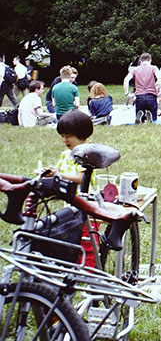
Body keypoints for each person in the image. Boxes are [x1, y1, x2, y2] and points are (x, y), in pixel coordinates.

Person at [44, 110, 99, 266]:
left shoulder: (86, 154)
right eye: (62, 136)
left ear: (81, 134)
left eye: (68, 136)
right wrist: (50, 173)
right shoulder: (65, 154)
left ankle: (89, 269)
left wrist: (58, 175)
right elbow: (59, 171)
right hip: (71, 204)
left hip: (87, 204)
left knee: (87, 239)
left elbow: (81, 178)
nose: (65, 140)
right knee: (72, 236)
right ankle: (74, 265)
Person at [123, 52, 161, 123]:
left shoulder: (135, 69)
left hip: (139, 96)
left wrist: (127, 93)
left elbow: (126, 80)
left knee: (140, 113)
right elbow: (159, 78)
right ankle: (150, 117)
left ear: (140, 60)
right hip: (151, 95)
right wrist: (160, 91)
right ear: (150, 60)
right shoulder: (154, 68)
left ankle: (141, 116)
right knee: (154, 119)